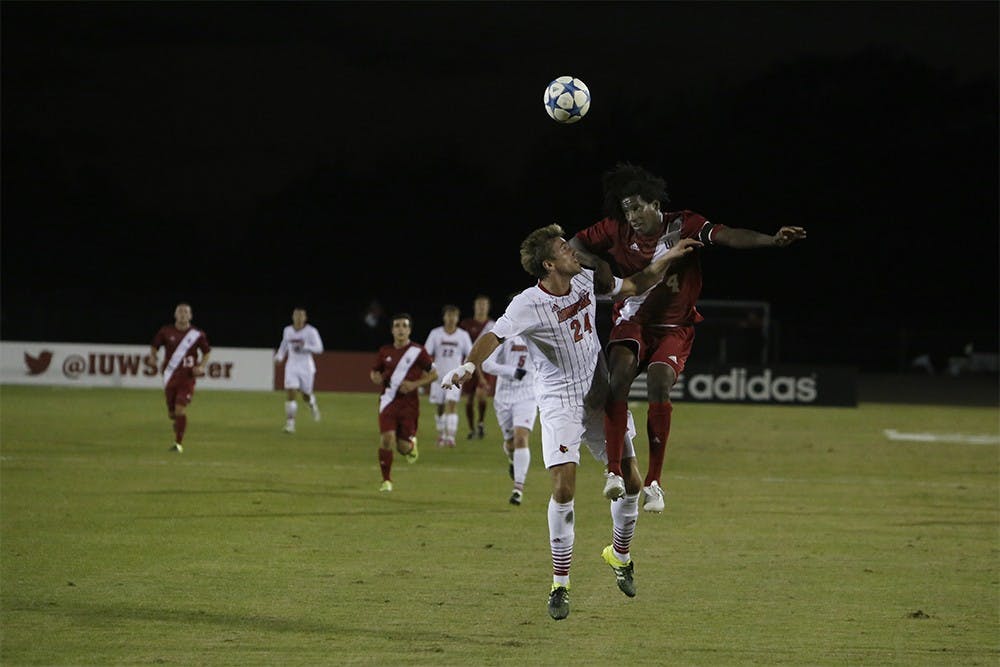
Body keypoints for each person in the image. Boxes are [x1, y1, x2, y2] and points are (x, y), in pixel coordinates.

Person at [441, 223, 701, 620]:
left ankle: (620, 554)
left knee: (632, 481)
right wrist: (467, 365)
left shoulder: (582, 279)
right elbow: (495, 336)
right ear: (548, 263)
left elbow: (631, 286)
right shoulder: (528, 303)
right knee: (564, 488)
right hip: (560, 401)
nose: (572, 250)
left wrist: (668, 257)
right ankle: (560, 585)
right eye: (564, 247)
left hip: (598, 392)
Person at [570, 162, 808, 513]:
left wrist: (771, 240)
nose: (631, 215)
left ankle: (654, 483)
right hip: (632, 319)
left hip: (675, 327)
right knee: (617, 378)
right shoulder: (615, 229)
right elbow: (574, 243)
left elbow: (728, 235)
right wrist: (597, 262)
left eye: (637, 206)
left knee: (659, 383)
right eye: (626, 209)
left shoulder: (684, 224)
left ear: (655, 203)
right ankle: (613, 472)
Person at [369, 313, 438, 493]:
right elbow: (375, 371)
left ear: (409, 330)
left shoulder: (418, 351)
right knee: (387, 439)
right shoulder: (385, 351)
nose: (400, 329)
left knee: (403, 447)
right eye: (397, 326)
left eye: (404, 326)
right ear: (392, 330)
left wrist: (414, 384)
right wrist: (375, 377)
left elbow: (434, 374)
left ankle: (411, 446)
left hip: (409, 406)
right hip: (388, 402)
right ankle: (386, 480)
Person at [481, 320, 537, 506]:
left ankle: (518, 489)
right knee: (511, 443)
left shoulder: (539, 335)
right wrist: (511, 371)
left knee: (521, 438)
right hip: (504, 396)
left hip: (528, 395)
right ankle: (513, 460)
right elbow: (486, 364)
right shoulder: (503, 336)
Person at [148, 302, 211, 453]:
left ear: (190, 316)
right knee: (172, 414)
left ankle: (178, 443)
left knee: (180, 409)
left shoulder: (197, 334)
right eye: (180, 312)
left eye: (186, 312)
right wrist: (153, 357)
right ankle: (179, 424)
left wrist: (201, 366)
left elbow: (207, 352)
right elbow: (155, 346)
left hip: (187, 378)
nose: (183, 314)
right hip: (170, 377)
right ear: (175, 315)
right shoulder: (166, 331)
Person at [424, 304, 474, 447]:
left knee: (451, 404)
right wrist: (429, 370)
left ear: (458, 318)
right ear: (444, 317)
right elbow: (427, 354)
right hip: (438, 376)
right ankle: (441, 433)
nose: (451, 318)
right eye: (449, 315)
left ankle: (450, 437)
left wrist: (465, 371)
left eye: (454, 316)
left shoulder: (463, 336)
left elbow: (469, 355)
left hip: (455, 376)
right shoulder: (435, 333)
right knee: (440, 407)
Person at [273, 307, 324, 434]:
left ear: (305, 318)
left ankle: (312, 404)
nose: (299, 318)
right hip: (291, 366)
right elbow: (283, 346)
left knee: (306, 394)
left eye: (301, 316)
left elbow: (319, 348)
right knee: (291, 393)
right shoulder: (288, 330)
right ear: (293, 317)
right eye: (296, 315)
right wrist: (279, 357)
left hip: (306, 368)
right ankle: (290, 424)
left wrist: (305, 347)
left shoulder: (311, 331)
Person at [458, 294, 495, 439]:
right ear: (474, 306)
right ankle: (472, 428)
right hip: (468, 365)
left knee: (481, 395)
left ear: (488, 307)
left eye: (484, 304)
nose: (481, 307)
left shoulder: (492, 325)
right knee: (469, 399)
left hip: (485, 365)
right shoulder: (466, 324)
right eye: (479, 304)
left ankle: (480, 422)